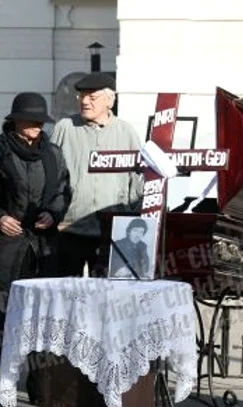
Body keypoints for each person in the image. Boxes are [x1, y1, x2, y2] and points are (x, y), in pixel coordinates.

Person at [0, 92, 72, 407]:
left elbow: (62, 191)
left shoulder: (53, 154)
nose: (37, 127)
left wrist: (53, 214)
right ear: (15, 122)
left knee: (43, 318)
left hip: (43, 245)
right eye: (31, 121)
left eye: (40, 121)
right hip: (7, 246)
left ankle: (39, 385)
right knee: (1, 317)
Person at [51, 72, 144, 277]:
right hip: (69, 228)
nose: (85, 101)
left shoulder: (126, 132)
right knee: (65, 293)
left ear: (109, 101)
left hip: (111, 232)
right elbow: (50, 176)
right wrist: (53, 213)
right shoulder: (65, 128)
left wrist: (130, 218)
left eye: (92, 97)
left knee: (106, 295)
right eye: (82, 96)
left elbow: (137, 182)